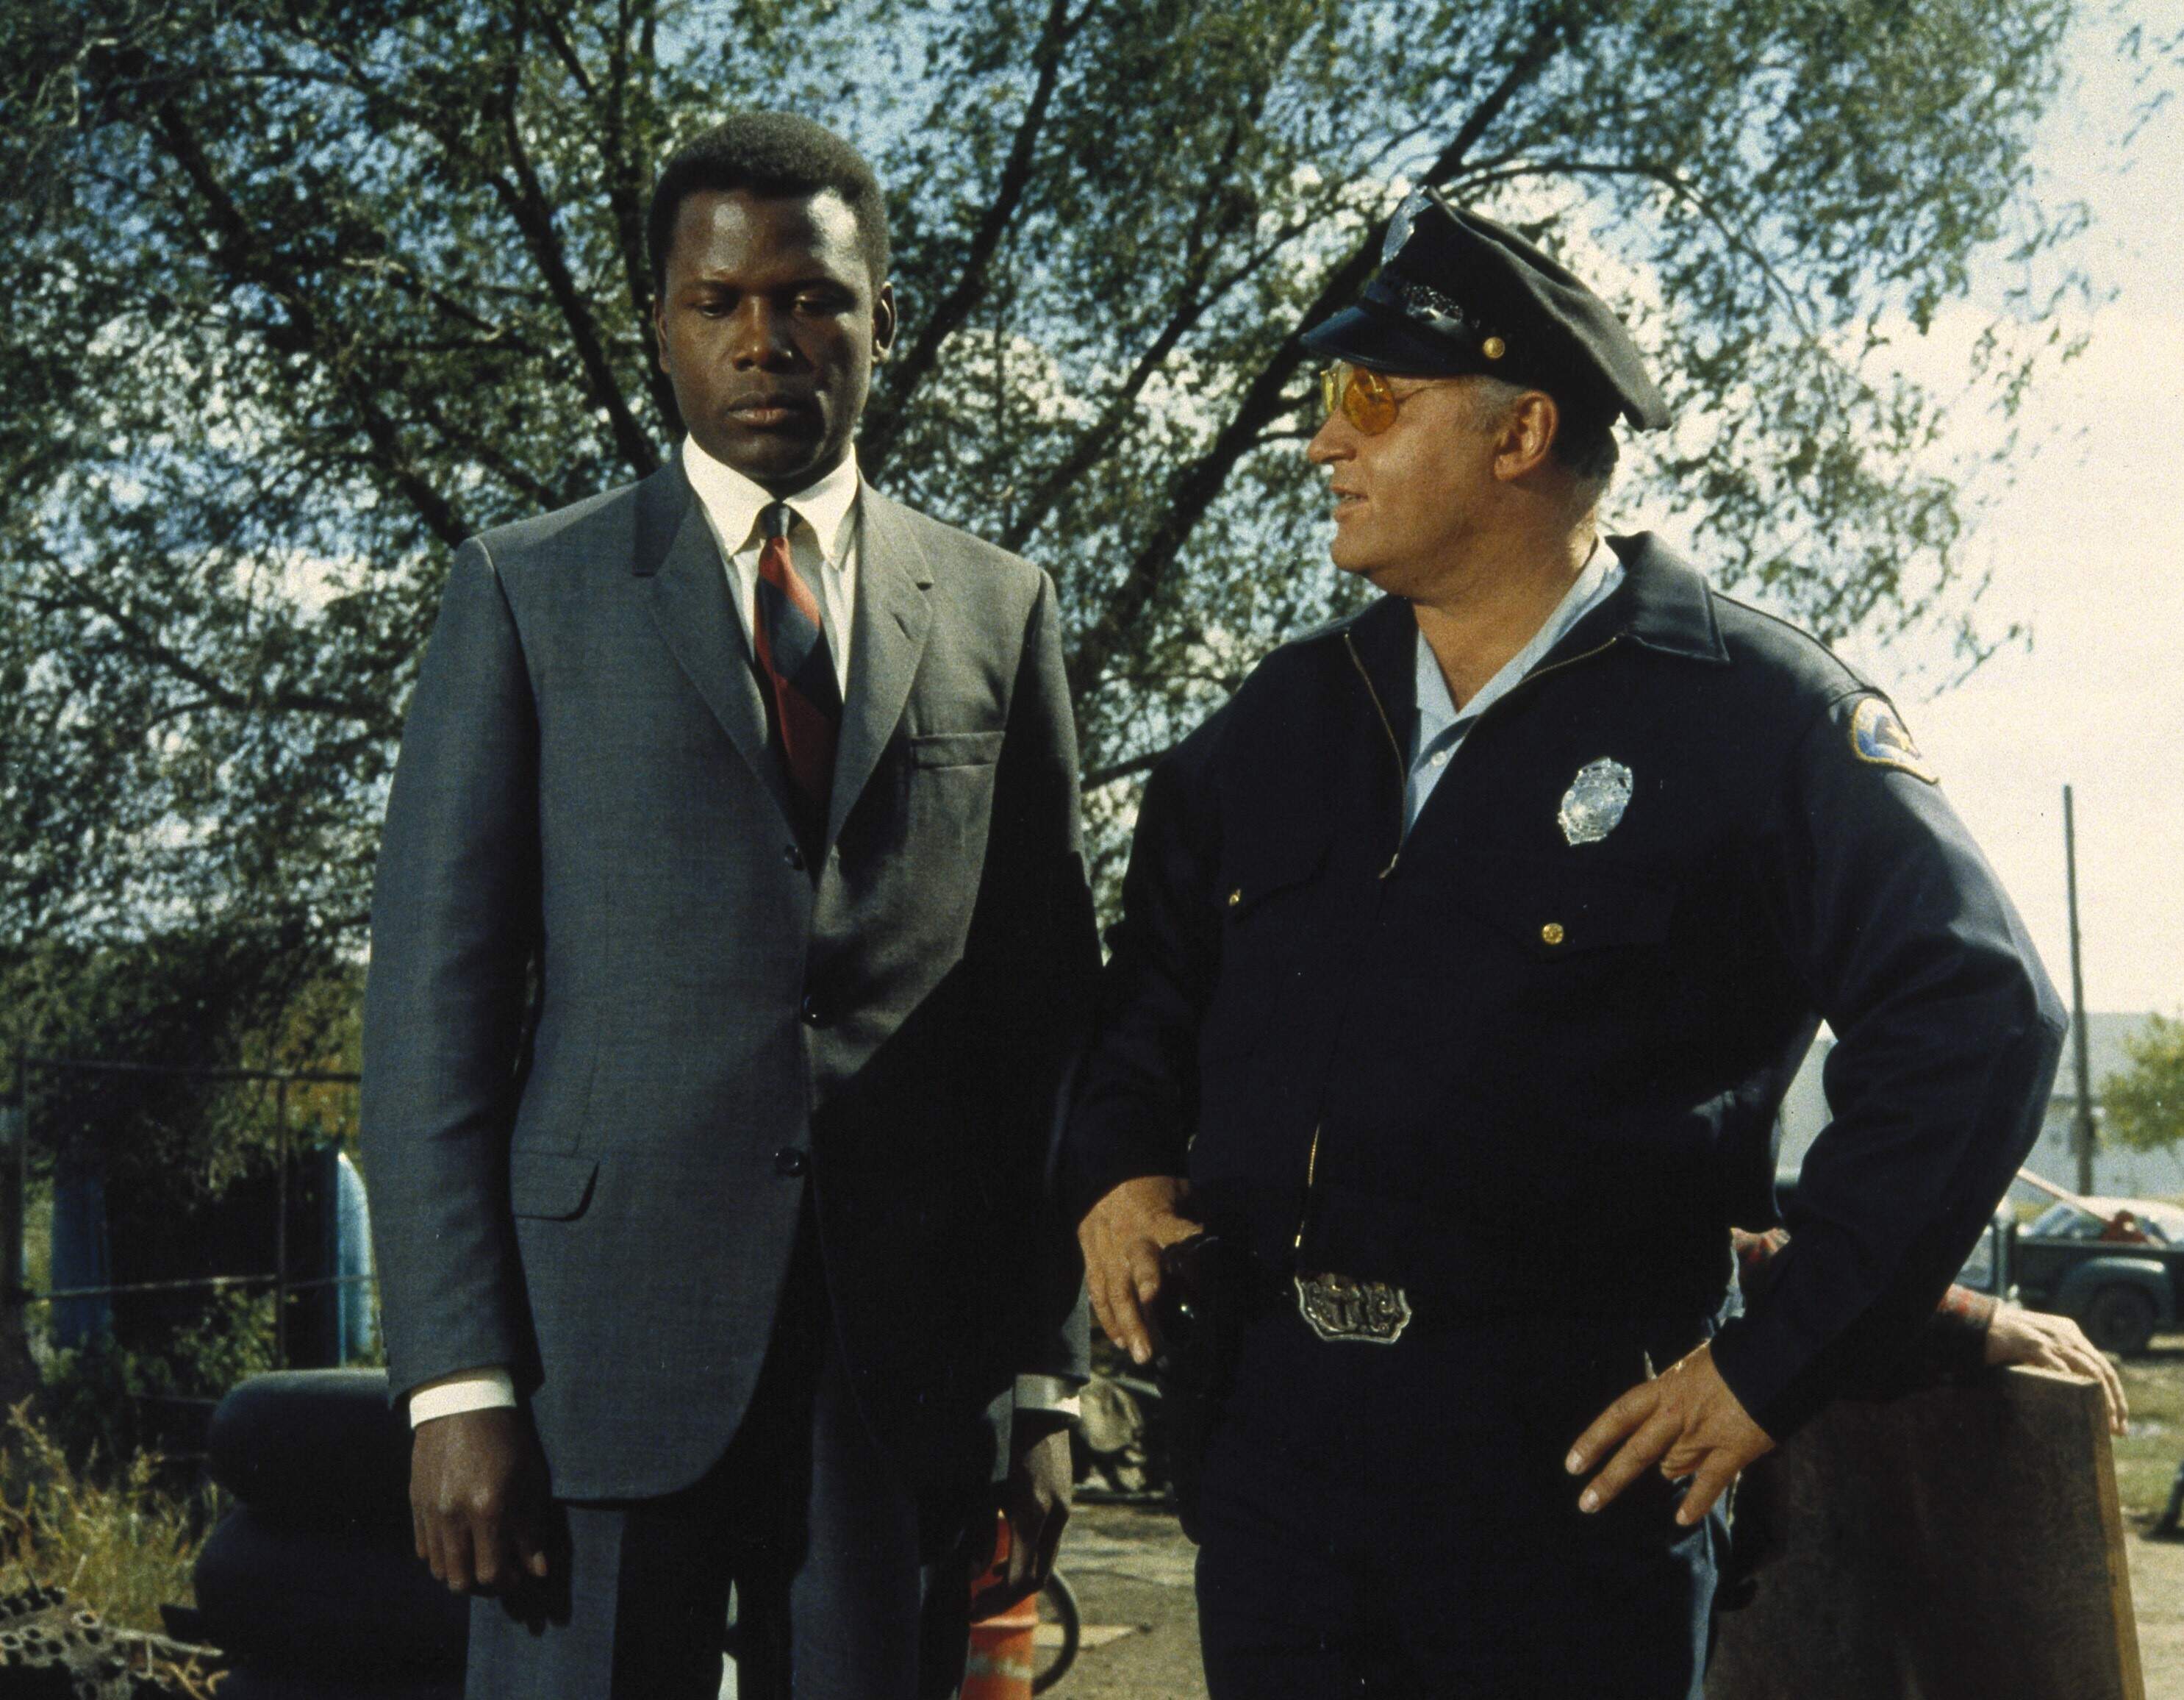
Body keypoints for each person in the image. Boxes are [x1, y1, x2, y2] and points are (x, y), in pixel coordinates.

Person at [1064, 188, 2069, 1698]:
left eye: (1368, 401)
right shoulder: (1282, 719)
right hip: (1277, 1449)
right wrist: (1119, 1160)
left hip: (1567, 1472)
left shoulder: (1754, 716)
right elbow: (1152, 972)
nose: (1323, 443)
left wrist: (1768, 1363)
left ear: (1518, 435)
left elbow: (1977, 1016)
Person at [359, 111, 1099, 1700]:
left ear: (880, 316)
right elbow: (435, 1013)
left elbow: (1044, 1023)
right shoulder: (524, 593)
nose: (769, 340)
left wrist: (1045, 1377)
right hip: (590, 1366)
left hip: (902, 1370)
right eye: (721, 303)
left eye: (813, 299)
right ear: (662, 323)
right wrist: (453, 1383)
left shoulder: (997, 606)